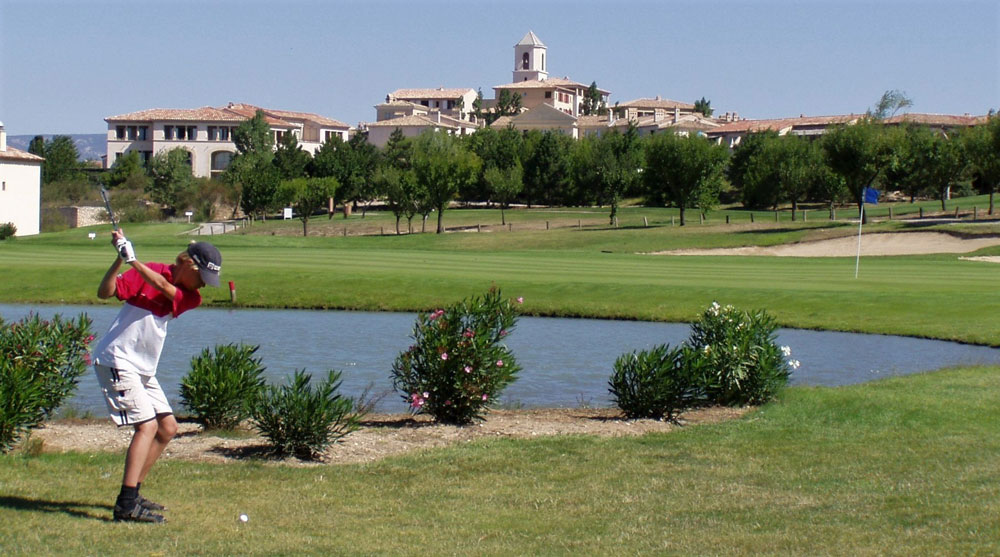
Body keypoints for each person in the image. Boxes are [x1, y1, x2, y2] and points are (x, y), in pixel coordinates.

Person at [91, 228, 222, 523]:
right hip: (117, 359)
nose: (202, 284)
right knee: (147, 428)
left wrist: (132, 261)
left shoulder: (190, 297)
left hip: (142, 368)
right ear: (189, 264)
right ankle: (125, 505)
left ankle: (133, 493)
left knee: (168, 428)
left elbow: (163, 286)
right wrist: (119, 258)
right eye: (202, 276)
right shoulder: (148, 270)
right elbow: (105, 292)